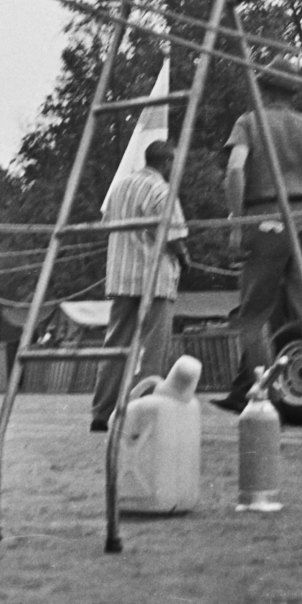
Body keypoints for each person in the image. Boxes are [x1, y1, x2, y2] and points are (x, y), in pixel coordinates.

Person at [217, 60, 302, 444]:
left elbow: (234, 171)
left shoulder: (250, 122)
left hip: (264, 217)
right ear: (293, 93)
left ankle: (264, 405)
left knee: (253, 316)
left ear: (264, 90)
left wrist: (238, 222)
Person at [90, 140, 189, 433]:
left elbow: (107, 222)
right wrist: (185, 257)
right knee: (152, 349)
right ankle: (144, 411)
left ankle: (101, 411)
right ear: (168, 162)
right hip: (154, 278)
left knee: (115, 346)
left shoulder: (119, 187)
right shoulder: (162, 190)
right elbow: (174, 235)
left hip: (121, 276)